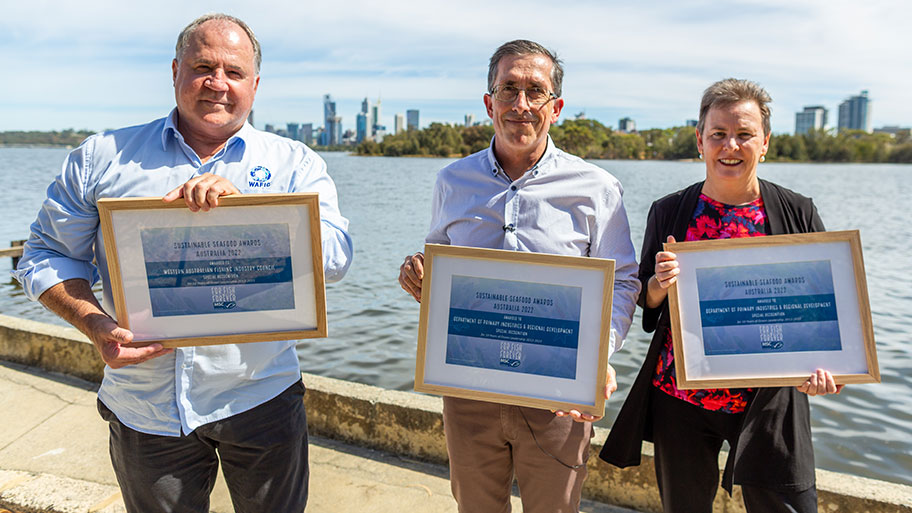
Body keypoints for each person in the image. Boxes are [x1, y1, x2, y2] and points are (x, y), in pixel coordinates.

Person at [13, 13, 352, 513]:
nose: (218, 83)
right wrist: (94, 323)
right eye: (202, 67)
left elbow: (337, 257)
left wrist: (250, 218)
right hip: (144, 405)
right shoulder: (103, 156)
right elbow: (44, 254)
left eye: (234, 72)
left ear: (255, 85)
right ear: (175, 72)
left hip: (260, 396)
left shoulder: (294, 163)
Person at [397, 40, 640, 513]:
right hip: (467, 388)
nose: (521, 105)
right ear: (489, 103)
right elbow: (440, 263)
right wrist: (418, 273)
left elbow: (625, 282)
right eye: (508, 89)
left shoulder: (597, 188)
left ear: (557, 107)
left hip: (558, 395)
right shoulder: (452, 181)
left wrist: (596, 355)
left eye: (536, 91)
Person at [599, 78, 842, 513]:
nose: (731, 145)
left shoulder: (797, 211)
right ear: (700, 141)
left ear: (764, 143)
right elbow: (647, 305)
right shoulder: (669, 210)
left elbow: (826, 307)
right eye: (718, 134)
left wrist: (831, 366)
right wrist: (659, 283)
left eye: (744, 134)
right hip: (682, 397)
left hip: (771, 398)